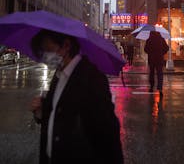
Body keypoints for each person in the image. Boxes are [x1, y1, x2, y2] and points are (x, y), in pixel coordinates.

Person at [30, 29, 123, 164]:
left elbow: (108, 135)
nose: (45, 56)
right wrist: (41, 113)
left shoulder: (91, 78)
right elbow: (59, 114)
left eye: (48, 49)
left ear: (66, 46)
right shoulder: (59, 74)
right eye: (42, 51)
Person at [144, 31, 169, 97]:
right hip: (159, 59)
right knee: (160, 74)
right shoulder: (161, 39)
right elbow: (166, 48)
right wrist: (162, 53)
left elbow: (145, 49)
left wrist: (150, 52)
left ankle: (151, 87)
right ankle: (160, 89)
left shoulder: (149, 39)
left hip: (151, 59)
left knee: (151, 73)